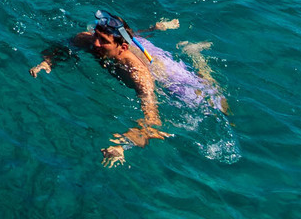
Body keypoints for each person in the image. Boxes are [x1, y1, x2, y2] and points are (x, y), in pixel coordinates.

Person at [32, 13, 223, 166]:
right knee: (133, 38)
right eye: (96, 36)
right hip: (133, 45)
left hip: (165, 73)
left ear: (122, 47)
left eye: (103, 40)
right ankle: (156, 28)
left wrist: (123, 144)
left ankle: (196, 55)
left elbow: (153, 121)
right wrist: (47, 62)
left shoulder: (139, 75)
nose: (95, 43)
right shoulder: (91, 40)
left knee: (214, 99)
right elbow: (64, 46)